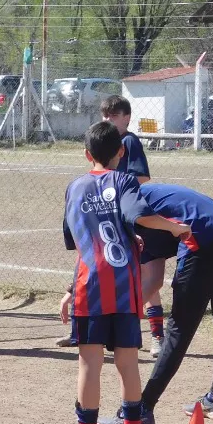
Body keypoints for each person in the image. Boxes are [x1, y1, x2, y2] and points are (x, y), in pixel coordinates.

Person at [60, 122, 190, 424]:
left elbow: (80, 243)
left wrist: (70, 291)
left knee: (89, 364)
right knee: (127, 364)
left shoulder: (74, 188)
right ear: (122, 152)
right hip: (124, 288)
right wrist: (173, 227)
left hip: (90, 286)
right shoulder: (125, 180)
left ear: (87, 155)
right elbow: (139, 215)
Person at [100, 183, 213, 424]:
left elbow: (145, 218)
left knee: (178, 328)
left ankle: (142, 409)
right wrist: (127, 313)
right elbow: (154, 280)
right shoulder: (135, 213)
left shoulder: (129, 208)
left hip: (202, 238)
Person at [60, 95, 164, 353]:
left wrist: (118, 194)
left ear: (126, 117)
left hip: (129, 216)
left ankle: (156, 335)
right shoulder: (104, 141)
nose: (107, 119)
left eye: (112, 115)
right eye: (104, 115)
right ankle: (83, 331)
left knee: (144, 274)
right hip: (110, 215)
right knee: (98, 267)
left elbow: (141, 176)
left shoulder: (128, 141)